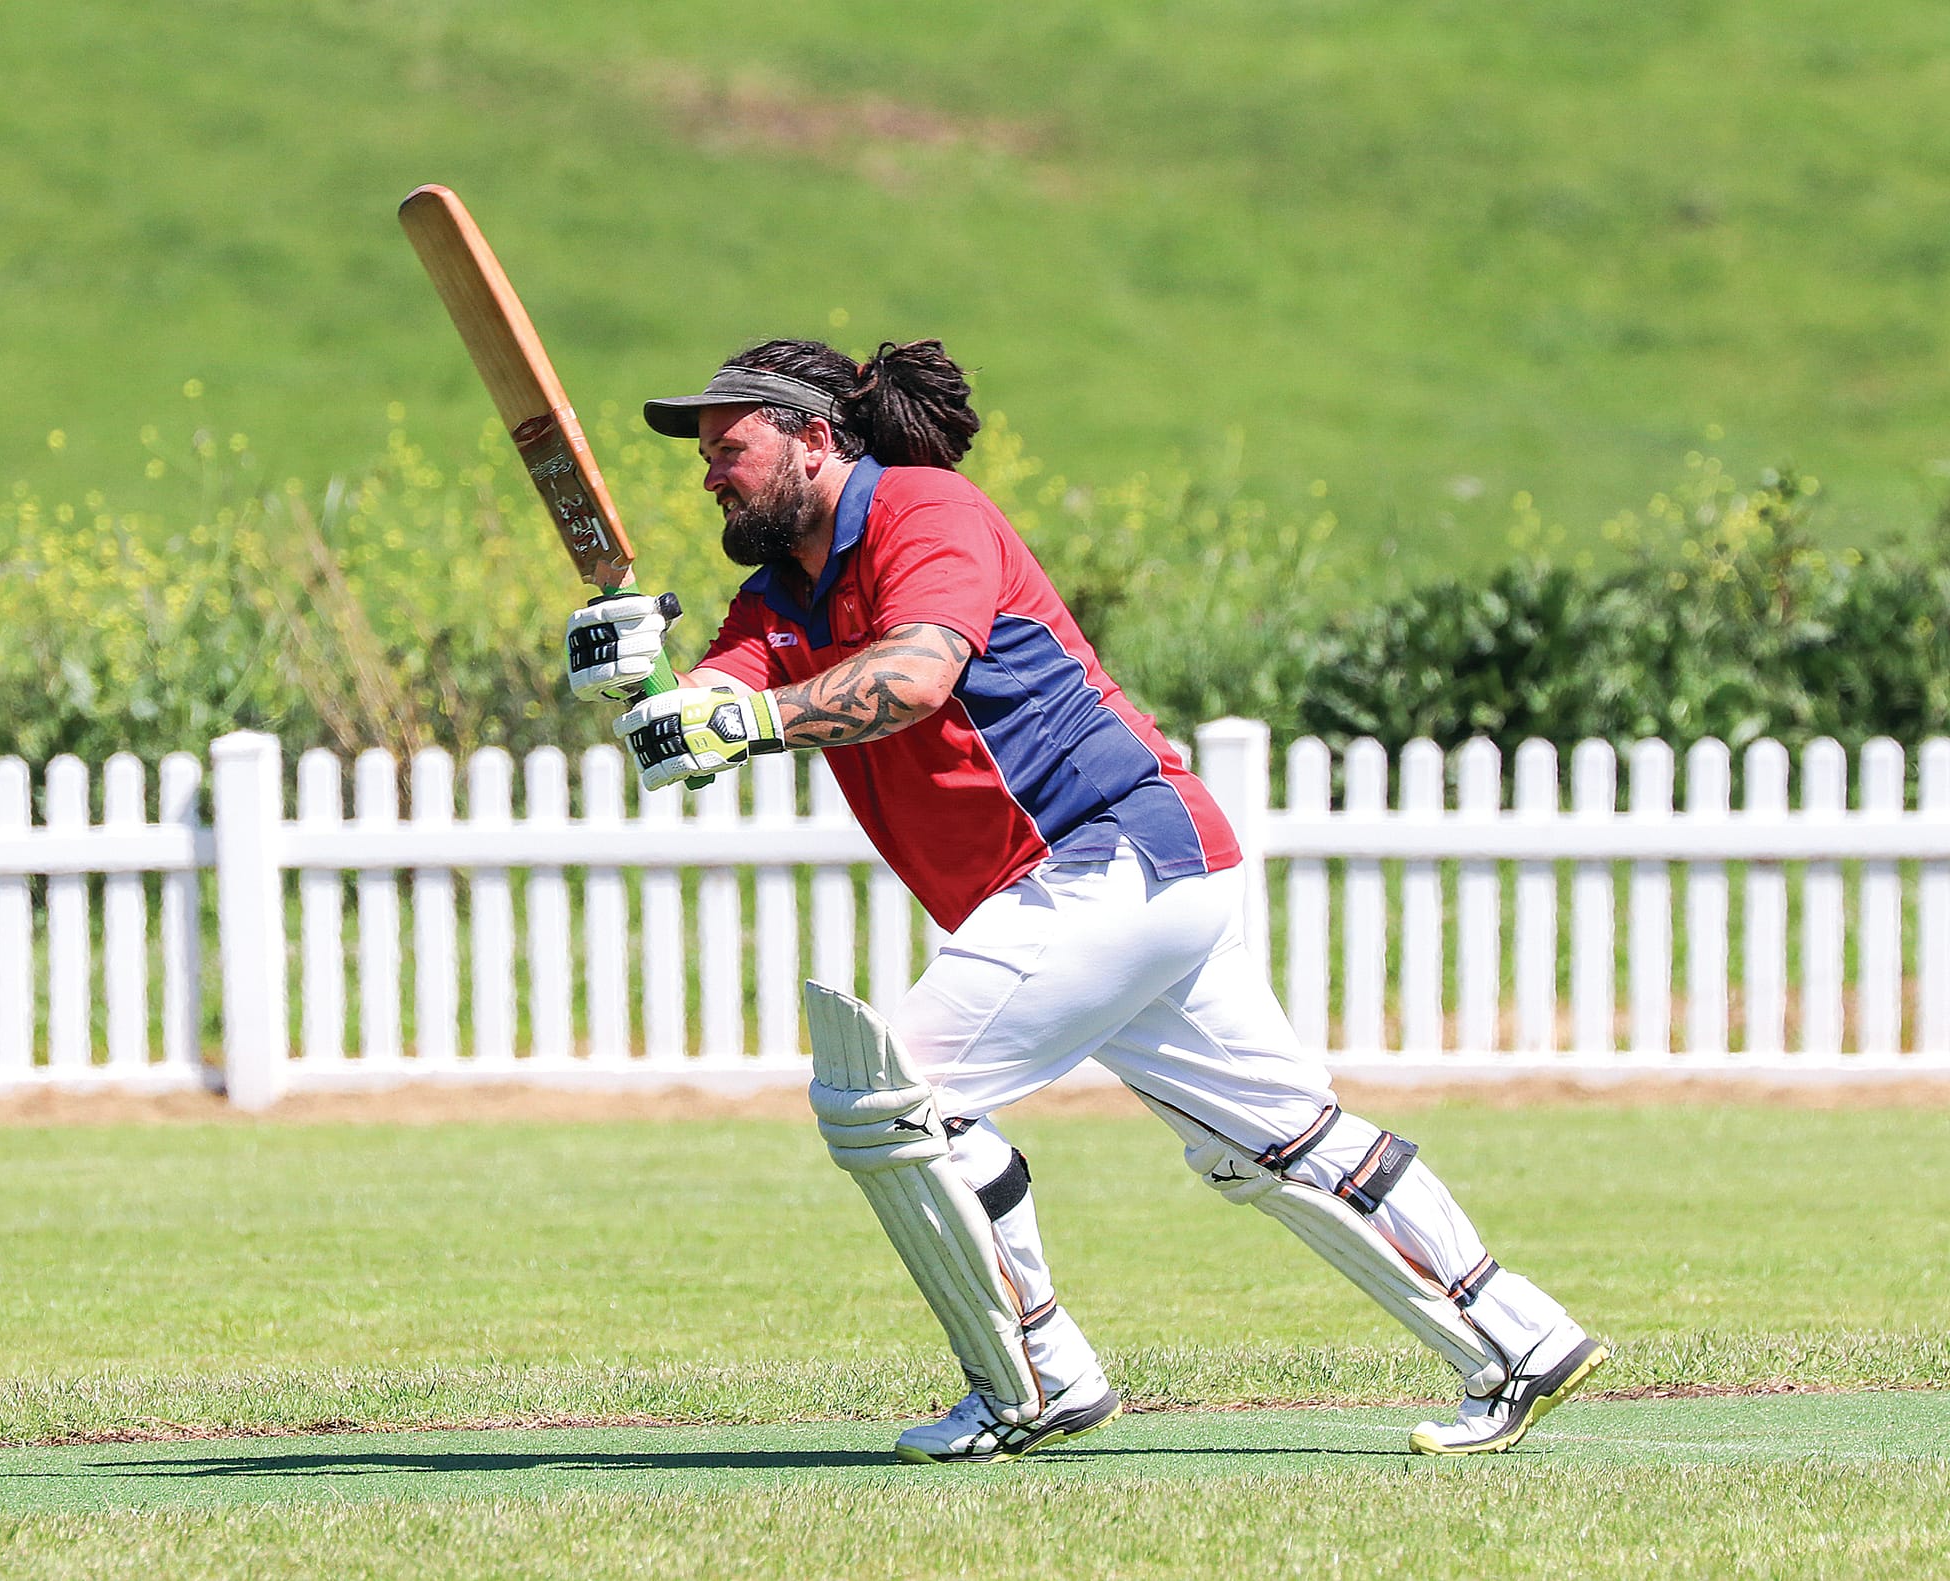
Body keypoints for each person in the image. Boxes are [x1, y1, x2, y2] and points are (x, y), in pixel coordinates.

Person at [565, 337, 1606, 1464]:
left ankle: (1038, 1379)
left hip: (1106, 853)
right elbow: (714, 715)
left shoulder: (924, 510)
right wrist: (648, 681)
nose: (709, 473)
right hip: (1132, 874)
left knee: (897, 1096)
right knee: (1273, 1143)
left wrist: (746, 721)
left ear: (816, 439)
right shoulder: (777, 595)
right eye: (707, 455)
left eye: (731, 447)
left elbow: (912, 676)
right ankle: (1518, 1339)